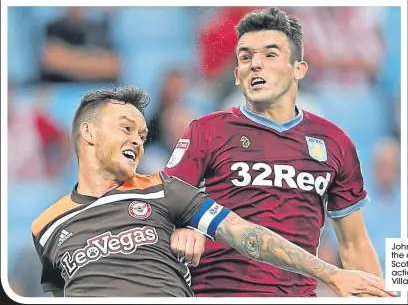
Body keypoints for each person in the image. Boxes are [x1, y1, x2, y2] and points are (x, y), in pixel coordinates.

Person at [31, 86, 393, 298]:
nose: (136, 141)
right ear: (89, 134)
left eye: (142, 135)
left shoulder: (164, 191)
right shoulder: (45, 226)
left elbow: (250, 235)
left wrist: (329, 274)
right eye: (126, 128)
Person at [165, 7, 384, 297]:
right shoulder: (207, 131)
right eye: (245, 57)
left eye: (270, 55)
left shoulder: (335, 142)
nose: (255, 64)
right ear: (236, 75)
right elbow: (162, 209)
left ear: (299, 69)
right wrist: (183, 227)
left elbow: (354, 243)